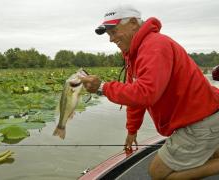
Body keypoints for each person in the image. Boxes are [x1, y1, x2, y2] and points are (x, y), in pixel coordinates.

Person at [80, 4, 219, 179]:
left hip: (201, 121)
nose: (111, 39)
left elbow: (146, 93)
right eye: (109, 35)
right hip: (205, 116)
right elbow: (136, 97)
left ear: (132, 23)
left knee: (159, 173)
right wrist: (132, 130)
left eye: (114, 32)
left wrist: (102, 87)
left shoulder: (154, 45)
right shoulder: (136, 52)